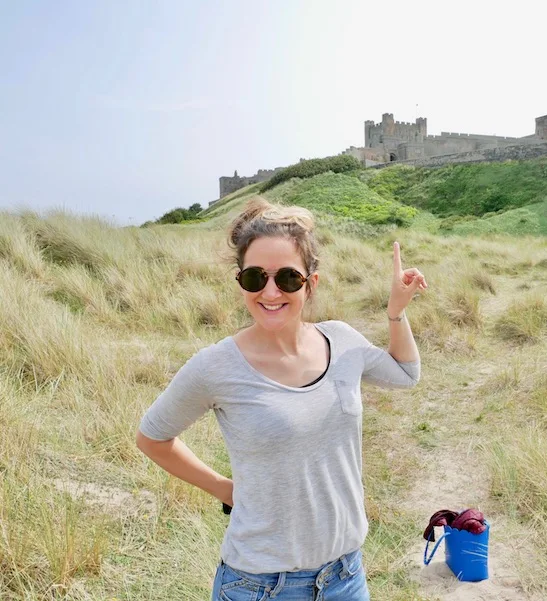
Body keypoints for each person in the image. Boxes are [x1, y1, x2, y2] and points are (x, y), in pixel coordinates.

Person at [135, 198, 427, 601]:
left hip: (346, 576)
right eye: (256, 278)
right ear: (240, 282)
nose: (270, 292)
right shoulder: (216, 366)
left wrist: (396, 313)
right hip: (260, 587)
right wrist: (224, 489)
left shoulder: (341, 340)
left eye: (288, 278)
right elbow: (152, 438)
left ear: (311, 283)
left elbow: (406, 374)